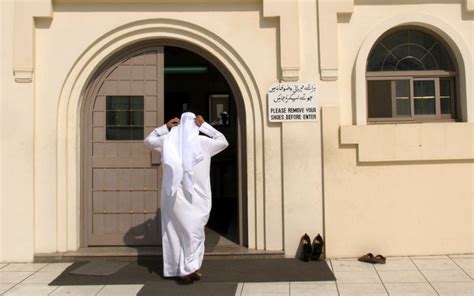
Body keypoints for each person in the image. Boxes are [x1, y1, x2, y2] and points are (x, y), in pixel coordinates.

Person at [144, 112, 228, 282]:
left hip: (178, 197)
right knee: (194, 233)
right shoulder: (202, 142)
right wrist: (204, 126)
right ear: (194, 125)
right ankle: (188, 268)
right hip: (189, 197)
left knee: (179, 232)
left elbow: (149, 140)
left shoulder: (167, 141)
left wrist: (165, 127)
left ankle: (189, 267)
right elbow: (223, 141)